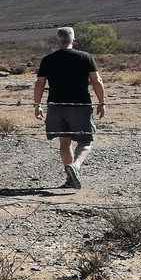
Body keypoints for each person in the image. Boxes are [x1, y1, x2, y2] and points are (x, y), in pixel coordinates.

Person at [33, 26, 106, 189]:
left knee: (64, 142)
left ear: (58, 42)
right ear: (73, 41)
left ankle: (71, 179)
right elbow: (96, 81)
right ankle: (76, 166)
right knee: (86, 141)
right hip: (80, 106)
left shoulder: (48, 60)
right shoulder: (85, 57)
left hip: (55, 106)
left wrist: (37, 105)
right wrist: (101, 103)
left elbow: (39, 83)